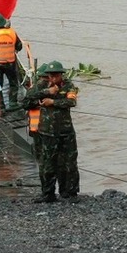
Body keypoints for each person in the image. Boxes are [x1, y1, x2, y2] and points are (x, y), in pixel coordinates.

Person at [33, 61, 80, 204]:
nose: (52, 78)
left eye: (55, 75)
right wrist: (47, 92)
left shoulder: (68, 85)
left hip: (65, 131)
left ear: (61, 75)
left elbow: (71, 102)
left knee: (69, 163)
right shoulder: (42, 85)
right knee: (47, 164)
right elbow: (29, 97)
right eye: (50, 75)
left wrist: (52, 102)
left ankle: (70, 192)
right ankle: (48, 194)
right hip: (47, 132)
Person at [21, 64, 49, 186]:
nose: (46, 80)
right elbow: (26, 103)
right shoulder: (34, 90)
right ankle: (44, 181)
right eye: (45, 77)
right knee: (41, 156)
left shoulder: (56, 88)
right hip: (37, 128)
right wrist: (39, 102)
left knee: (47, 156)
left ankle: (48, 180)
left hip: (48, 128)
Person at [0, 12, 23, 110]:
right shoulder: (12, 32)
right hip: (10, 63)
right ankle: (13, 103)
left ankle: (1, 105)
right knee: (13, 83)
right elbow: (19, 46)